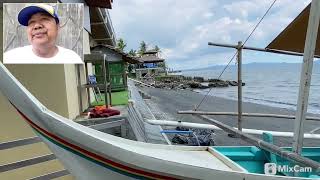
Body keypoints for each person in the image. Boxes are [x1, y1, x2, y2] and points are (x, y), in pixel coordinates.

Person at [4, 4, 83, 64]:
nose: (37, 26)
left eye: (44, 19)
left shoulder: (72, 58)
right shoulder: (10, 58)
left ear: (57, 27)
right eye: (31, 22)